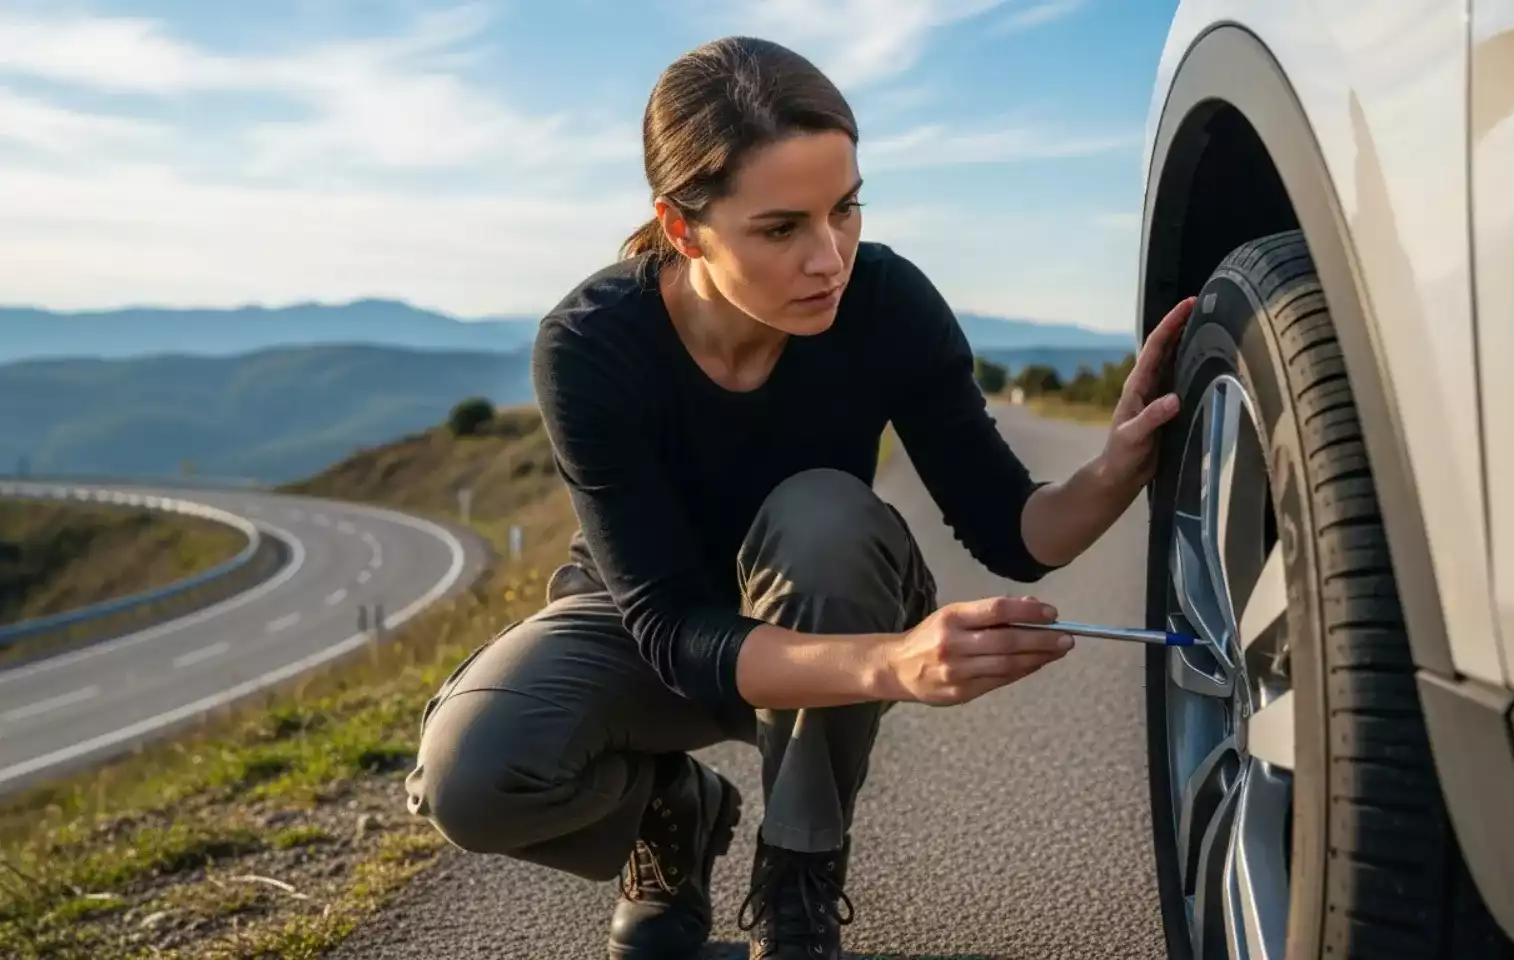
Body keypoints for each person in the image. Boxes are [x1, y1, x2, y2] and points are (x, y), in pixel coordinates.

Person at [403, 34, 1194, 960]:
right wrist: (894, 665)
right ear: (681, 225)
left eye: (846, 210)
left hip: (827, 602)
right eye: (782, 229)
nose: (830, 259)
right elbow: (670, 631)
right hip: (660, 626)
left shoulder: (887, 304)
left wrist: (1114, 468)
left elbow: (1015, 532)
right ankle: (673, 812)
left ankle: (798, 890)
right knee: (470, 777)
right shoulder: (590, 346)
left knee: (822, 513)